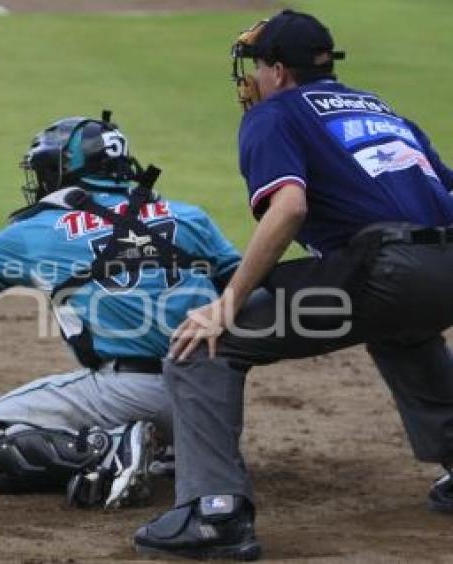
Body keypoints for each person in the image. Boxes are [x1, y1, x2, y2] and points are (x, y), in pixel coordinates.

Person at [133, 9, 453, 560]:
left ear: (279, 71)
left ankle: (215, 513)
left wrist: (225, 305)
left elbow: (289, 209)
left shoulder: (275, 113)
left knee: (202, 345)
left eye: (257, 66)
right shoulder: (381, 109)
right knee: (403, 327)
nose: (251, 78)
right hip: (445, 268)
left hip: (387, 269)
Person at [0, 112, 240, 509]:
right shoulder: (190, 217)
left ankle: (108, 449)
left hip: (130, 391)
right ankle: (170, 449)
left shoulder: (37, 232)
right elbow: (251, 289)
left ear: (65, 170)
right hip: (213, 401)